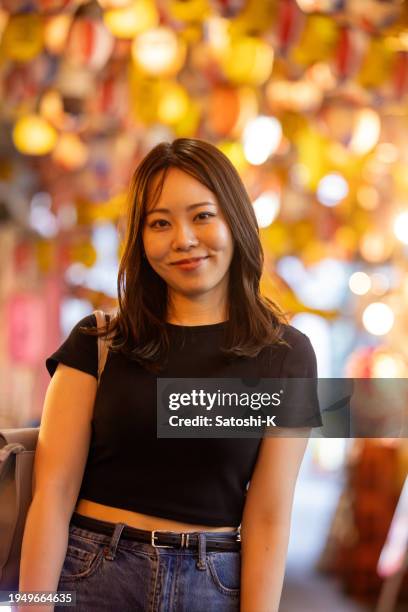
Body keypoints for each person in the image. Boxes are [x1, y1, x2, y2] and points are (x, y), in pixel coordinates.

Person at [19, 138, 322, 612]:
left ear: (235, 221)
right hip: (91, 573)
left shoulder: (287, 357)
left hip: (213, 586)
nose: (183, 239)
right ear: (141, 240)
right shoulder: (97, 343)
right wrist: (31, 607)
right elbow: (52, 496)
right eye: (160, 223)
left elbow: (269, 516)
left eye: (202, 215)